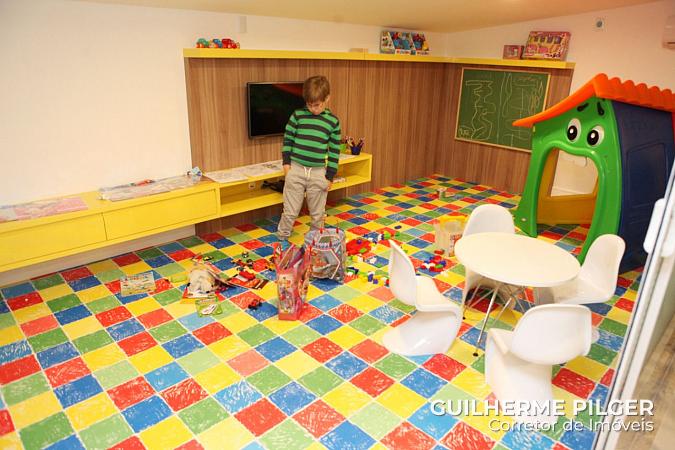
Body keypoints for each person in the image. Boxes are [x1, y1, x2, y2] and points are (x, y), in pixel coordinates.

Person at [277, 75, 341, 241]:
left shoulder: (333, 122)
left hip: (318, 172)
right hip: (296, 169)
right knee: (290, 211)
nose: (313, 109)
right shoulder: (297, 116)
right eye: (309, 104)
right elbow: (288, 139)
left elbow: (334, 151)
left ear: (327, 98)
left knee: (318, 214)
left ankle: (315, 241)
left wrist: (330, 176)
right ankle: (282, 238)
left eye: (317, 105)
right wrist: (286, 164)